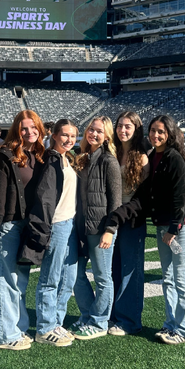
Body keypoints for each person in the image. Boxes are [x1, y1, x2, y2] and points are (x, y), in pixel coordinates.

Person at [106, 114, 185, 344]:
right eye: (153, 131)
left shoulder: (174, 157)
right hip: (163, 226)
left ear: (169, 133)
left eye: (161, 132)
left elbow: (179, 198)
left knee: (181, 279)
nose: (155, 135)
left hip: (181, 226)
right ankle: (170, 325)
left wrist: (174, 229)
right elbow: (147, 196)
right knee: (167, 278)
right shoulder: (153, 155)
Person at [0, 110, 45, 350]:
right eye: (24, 128)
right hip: (9, 225)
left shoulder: (39, 154)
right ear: (17, 130)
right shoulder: (5, 156)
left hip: (29, 225)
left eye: (33, 127)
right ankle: (3, 335)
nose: (29, 132)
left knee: (20, 281)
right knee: (6, 281)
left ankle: (18, 328)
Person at [22, 119, 79, 347]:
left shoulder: (66, 158)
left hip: (70, 223)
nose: (69, 140)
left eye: (73, 136)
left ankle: (56, 321)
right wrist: (44, 228)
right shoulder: (50, 159)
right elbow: (45, 198)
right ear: (54, 135)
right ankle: (45, 328)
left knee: (68, 278)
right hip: (56, 225)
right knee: (50, 278)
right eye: (64, 135)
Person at [70, 116, 121, 341]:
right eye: (91, 129)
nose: (94, 134)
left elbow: (116, 201)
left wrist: (110, 230)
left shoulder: (109, 161)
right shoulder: (82, 158)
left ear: (107, 136)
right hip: (80, 227)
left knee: (102, 277)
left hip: (101, 229)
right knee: (75, 274)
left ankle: (100, 322)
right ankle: (89, 314)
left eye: (99, 131)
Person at [108, 111, 148, 336]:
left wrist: (121, 214)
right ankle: (114, 315)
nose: (122, 130)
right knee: (113, 268)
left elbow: (141, 198)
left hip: (131, 219)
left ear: (136, 130)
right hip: (112, 219)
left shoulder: (141, 156)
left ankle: (129, 320)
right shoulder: (113, 151)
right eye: (120, 126)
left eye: (128, 127)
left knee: (130, 271)